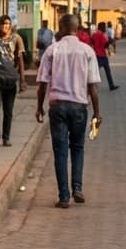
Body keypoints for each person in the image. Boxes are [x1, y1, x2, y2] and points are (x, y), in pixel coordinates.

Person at [37, 14, 103, 209]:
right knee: (77, 147)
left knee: (60, 150)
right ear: (77, 28)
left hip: (57, 106)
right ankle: (77, 188)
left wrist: (39, 107)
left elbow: (42, 83)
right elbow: (92, 87)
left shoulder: (52, 50)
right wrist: (97, 113)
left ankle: (64, 196)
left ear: (61, 27)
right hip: (79, 107)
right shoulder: (87, 51)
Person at [0, 15, 26, 148]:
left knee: (8, 110)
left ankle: (6, 137)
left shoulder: (16, 38)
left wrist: (22, 80)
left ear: (10, 26)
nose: (5, 26)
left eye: (7, 24)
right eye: (2, 24)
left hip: (10, 78)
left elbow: (20, 59)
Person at [82, 22, 120, 91]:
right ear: (102, 27)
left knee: (95, 70)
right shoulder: (102, 35)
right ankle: (111, 85)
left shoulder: (94, 34)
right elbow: (105, 45)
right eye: (105, 27)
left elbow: (91, 42)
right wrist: (110, 42)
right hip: (102, 55)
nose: (105, 28)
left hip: (96, 54)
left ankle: (86, 84)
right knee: (107, 71)